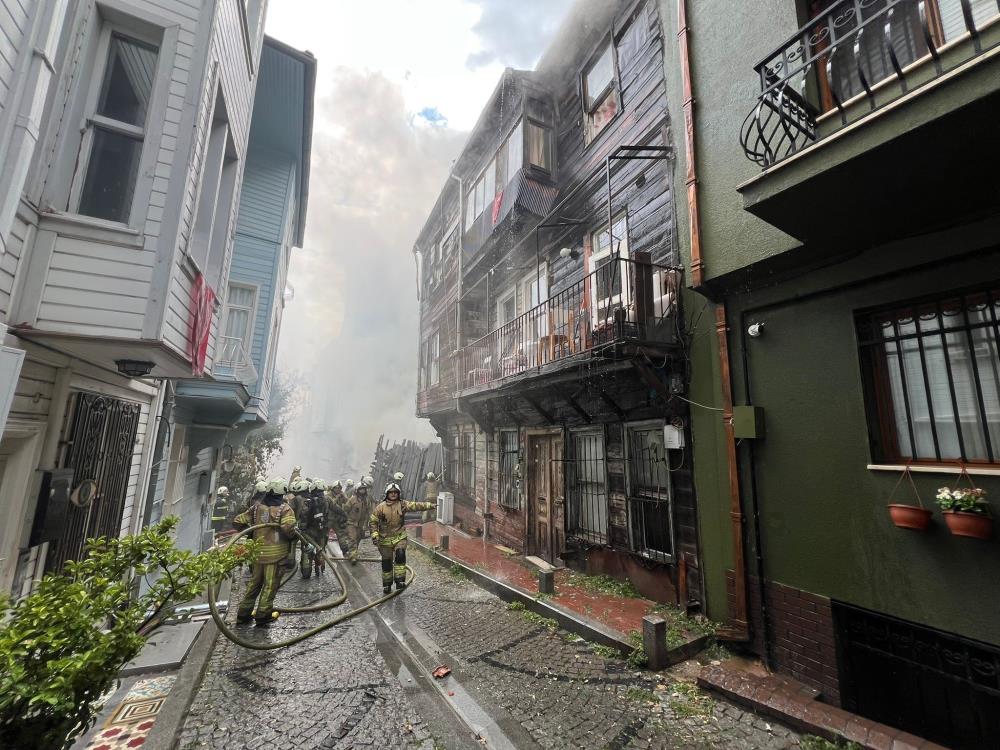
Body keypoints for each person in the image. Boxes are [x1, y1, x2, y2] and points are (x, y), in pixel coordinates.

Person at [232, 477, 297, 626]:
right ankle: (263, 615)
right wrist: (292, 537)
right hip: (276, 557)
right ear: (282, 493)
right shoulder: (285, 509)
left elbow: (237, 521)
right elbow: (289, 530)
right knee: (270, 585)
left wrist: (249, 533)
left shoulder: (256, 508)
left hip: (257, 555)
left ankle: (243, 614)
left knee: (254, 584)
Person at [369, 483, 436, 594]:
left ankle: (400, 581)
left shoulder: (402, 504)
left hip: (399, 537)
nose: (393, 494)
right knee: (387, 563)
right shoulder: (380, 507)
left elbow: (415, 506)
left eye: (396, 492)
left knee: (400, 555)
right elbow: (373, 522)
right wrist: (375, 535)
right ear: (387, 494)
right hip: (384, 540)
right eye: (391, 492)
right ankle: (387, 584)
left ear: (399, 494)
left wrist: (430, 505)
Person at [290, 478, 324, 578]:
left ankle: (304, 570)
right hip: (317, 530)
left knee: (303, 549)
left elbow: (290, 512)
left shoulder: (297, 499)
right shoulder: (314, 499)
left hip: (303, 531)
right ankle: (317, 566)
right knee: (316, 549)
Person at [343, 482, 368, 563]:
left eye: (364, 489)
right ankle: (353, 556)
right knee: (352, 538)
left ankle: (353, 552)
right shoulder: (352, 499)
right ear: (357, 490)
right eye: (361, 489)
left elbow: (368, 512)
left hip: (360, 524)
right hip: (351, 523)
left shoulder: (366, 501)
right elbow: (346, 509)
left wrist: (366, 524)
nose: (362, 491)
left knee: (358, 538)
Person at [327, 480, 350, 557]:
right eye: (337, 488)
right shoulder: (328, 495)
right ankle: (322, 548)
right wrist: (337, 498)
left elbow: (347, 503)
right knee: (324, 534)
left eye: (340, 488)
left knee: (341, 534)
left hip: (337, 518)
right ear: (333, 488)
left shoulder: (341, 495)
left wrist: (344, 496)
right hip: (329, 518)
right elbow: (331, 504)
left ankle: (345, 550)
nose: (338, 490)